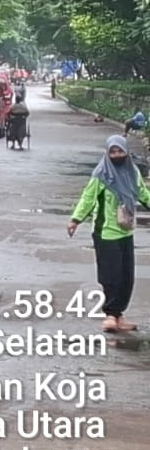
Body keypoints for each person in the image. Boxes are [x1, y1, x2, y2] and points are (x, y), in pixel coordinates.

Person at [68, 135, 150, 332]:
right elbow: (88, 198)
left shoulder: (132, 172)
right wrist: (75, 220)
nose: (116, 155)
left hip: (125, 231)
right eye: (112, 152)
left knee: (126, 276)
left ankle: (119, 314)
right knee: (111, 276)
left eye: (120, 151)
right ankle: (110, 314)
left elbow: (143, 193)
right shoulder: (101, 174)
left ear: (126, 152)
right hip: (105, 233)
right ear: (107, 153)